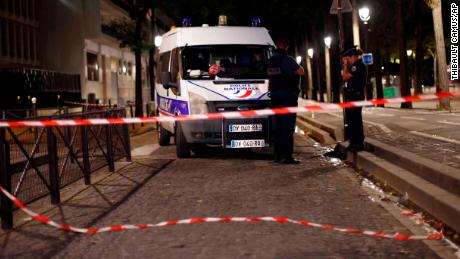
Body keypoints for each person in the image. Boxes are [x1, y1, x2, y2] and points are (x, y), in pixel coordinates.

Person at [268, 39, 305, 164]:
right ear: (286, 47)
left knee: (278, 127)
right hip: (287, 98)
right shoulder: (287, 59)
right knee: (287, 127)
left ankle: (277, 155)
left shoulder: (271, 61)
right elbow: (301, 71)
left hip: (275, 97)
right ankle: (287, 156)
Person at [341, 45, 367, 151]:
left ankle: (357, 142)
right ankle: (354, 142)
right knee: (351, 119)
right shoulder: (356, 65)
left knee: (355, 119)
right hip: (353, 96)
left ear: (352, 56)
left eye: (347, 58)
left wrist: (345, 66)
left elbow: (345, 76)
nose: (346, 61)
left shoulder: (357, 65)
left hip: (356, 96)